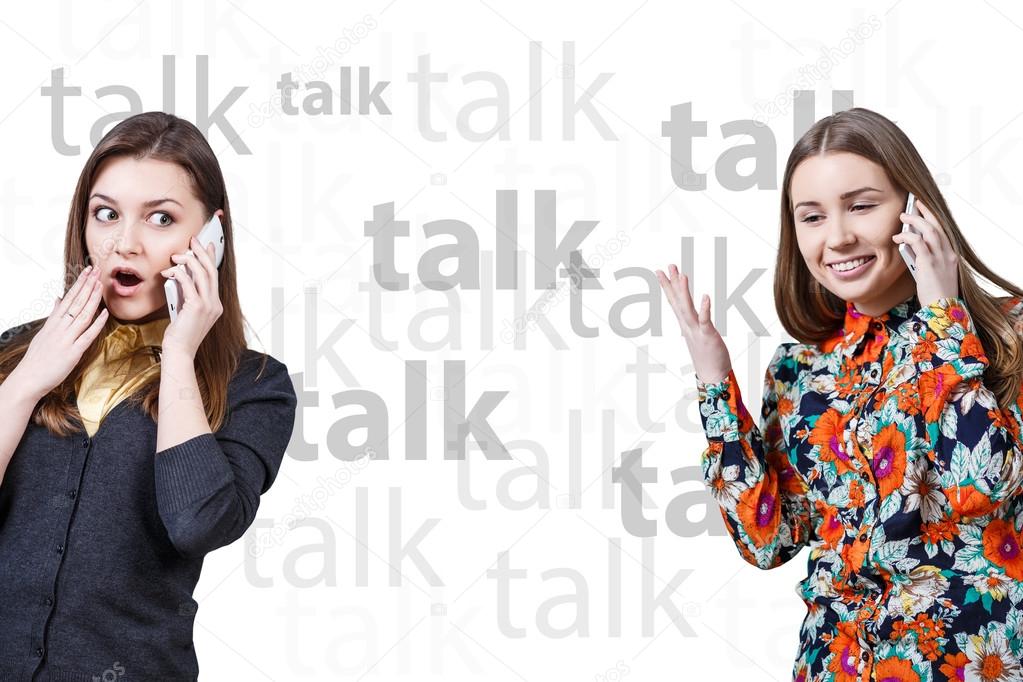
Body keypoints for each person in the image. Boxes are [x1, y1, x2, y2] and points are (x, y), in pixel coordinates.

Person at [657, 107, 1023, 681]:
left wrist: (943, 321)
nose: (838, 237)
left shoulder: (1010, 334)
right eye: (812, 216)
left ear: (914, 207)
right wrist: (714, 385)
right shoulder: (799, 370)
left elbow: (981, 484)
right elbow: (769, 540)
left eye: (861, 205)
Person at [0, 112, 297, 679]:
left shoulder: (255, 385)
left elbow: (198, 524)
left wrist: (183, 354)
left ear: (211, 234)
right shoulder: (15, 355)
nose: (124, 244)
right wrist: (26, 383)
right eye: (105, 214)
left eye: (160, 218)